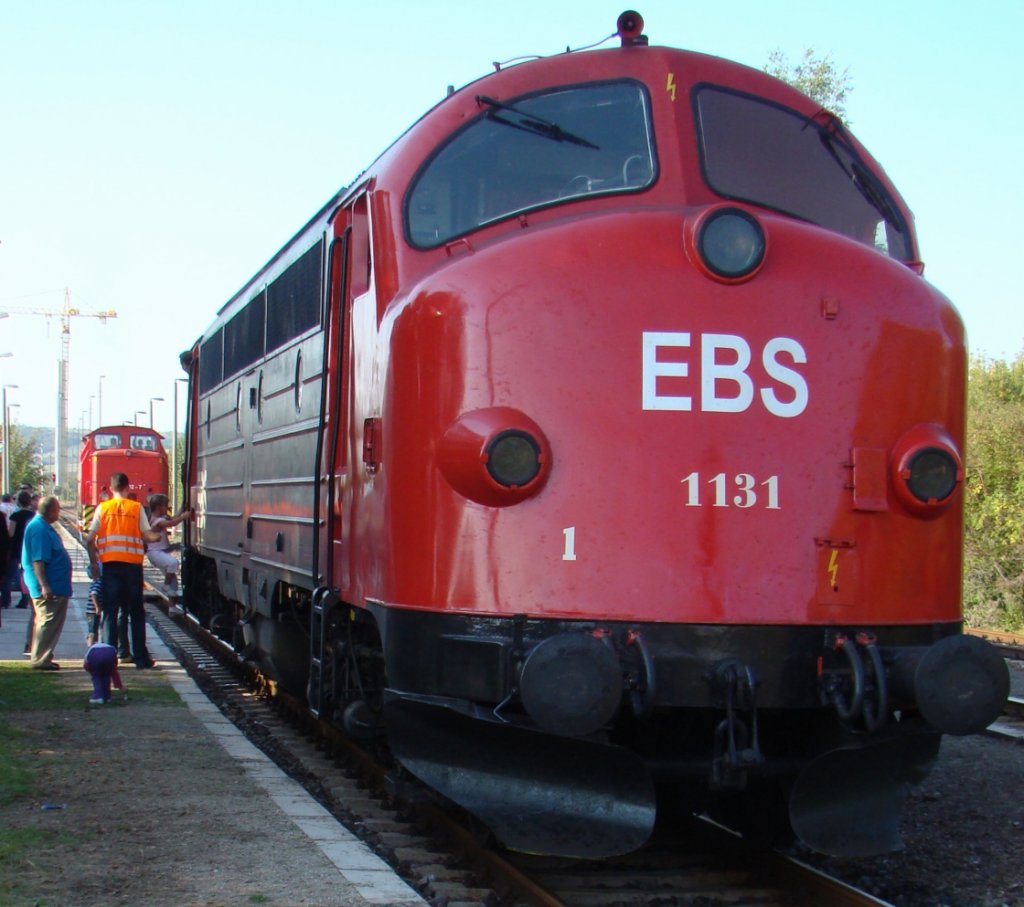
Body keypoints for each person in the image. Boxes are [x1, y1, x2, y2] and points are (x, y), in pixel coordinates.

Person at [85, 473, 160, 670]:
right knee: (136, 612)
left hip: (110, 567)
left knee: (110, 612)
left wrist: (94, 563)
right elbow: (147, 534)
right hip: (132, 568)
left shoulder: (103, 508)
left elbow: (89, 539)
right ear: (127, 488)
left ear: (111, 489)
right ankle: (141, 658)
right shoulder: (136, 508)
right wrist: (157, 537)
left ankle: (108, 657)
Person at [22, 495, 72, 670]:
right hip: (49, 587)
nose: (59, 513)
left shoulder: (43, 527)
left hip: (55, 585)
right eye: (57, 510)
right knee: (47, 621)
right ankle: (40, 659)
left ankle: (44, 656)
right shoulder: (39, 529)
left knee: (48, 622)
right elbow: (38, 560)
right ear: (51, 511)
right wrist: (44, 585)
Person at [145, 493, 188, 614]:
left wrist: (181, 509)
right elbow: (172, 523)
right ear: (158, 507)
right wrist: (184, 517)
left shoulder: (160, 517)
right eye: (165, 506)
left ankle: (172, 607)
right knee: (173, 563)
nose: (167, 508)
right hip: (155, 553)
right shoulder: (157, 521)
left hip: (160, 553)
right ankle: (165, 585)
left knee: (174, 584)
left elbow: (173, 518)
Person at [2, 490, 33, 610]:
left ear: (18, 501)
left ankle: (5, 600)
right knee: (26, 574)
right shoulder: (33, 515)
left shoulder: (15, 516)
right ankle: (25, 599)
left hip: (16, 548)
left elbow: (11, 533)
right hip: (29, 548)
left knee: (9, 575)